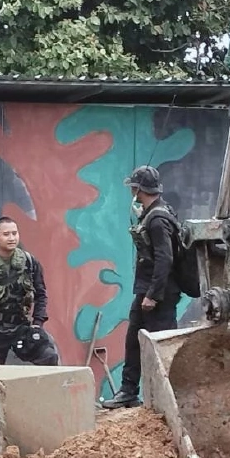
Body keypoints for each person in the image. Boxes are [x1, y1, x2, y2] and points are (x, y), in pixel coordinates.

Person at [102, 165, 181, 409]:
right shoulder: (153, 213)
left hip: (158, 294)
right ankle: (128, 391)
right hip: (148, 291)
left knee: (161, 346)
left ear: (138, 189)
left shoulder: (157, 219)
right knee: (134, 340)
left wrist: (153, 296)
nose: (131, 192)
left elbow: (165, 258)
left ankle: (168, 397)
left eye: (133, 188)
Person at [0, 216, 60, 366]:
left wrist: (37, 323)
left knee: (48, 358)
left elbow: (41, 295)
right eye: (6, 234)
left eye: (14, 233)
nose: (11, 238)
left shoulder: (29, 262)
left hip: (21, 329)